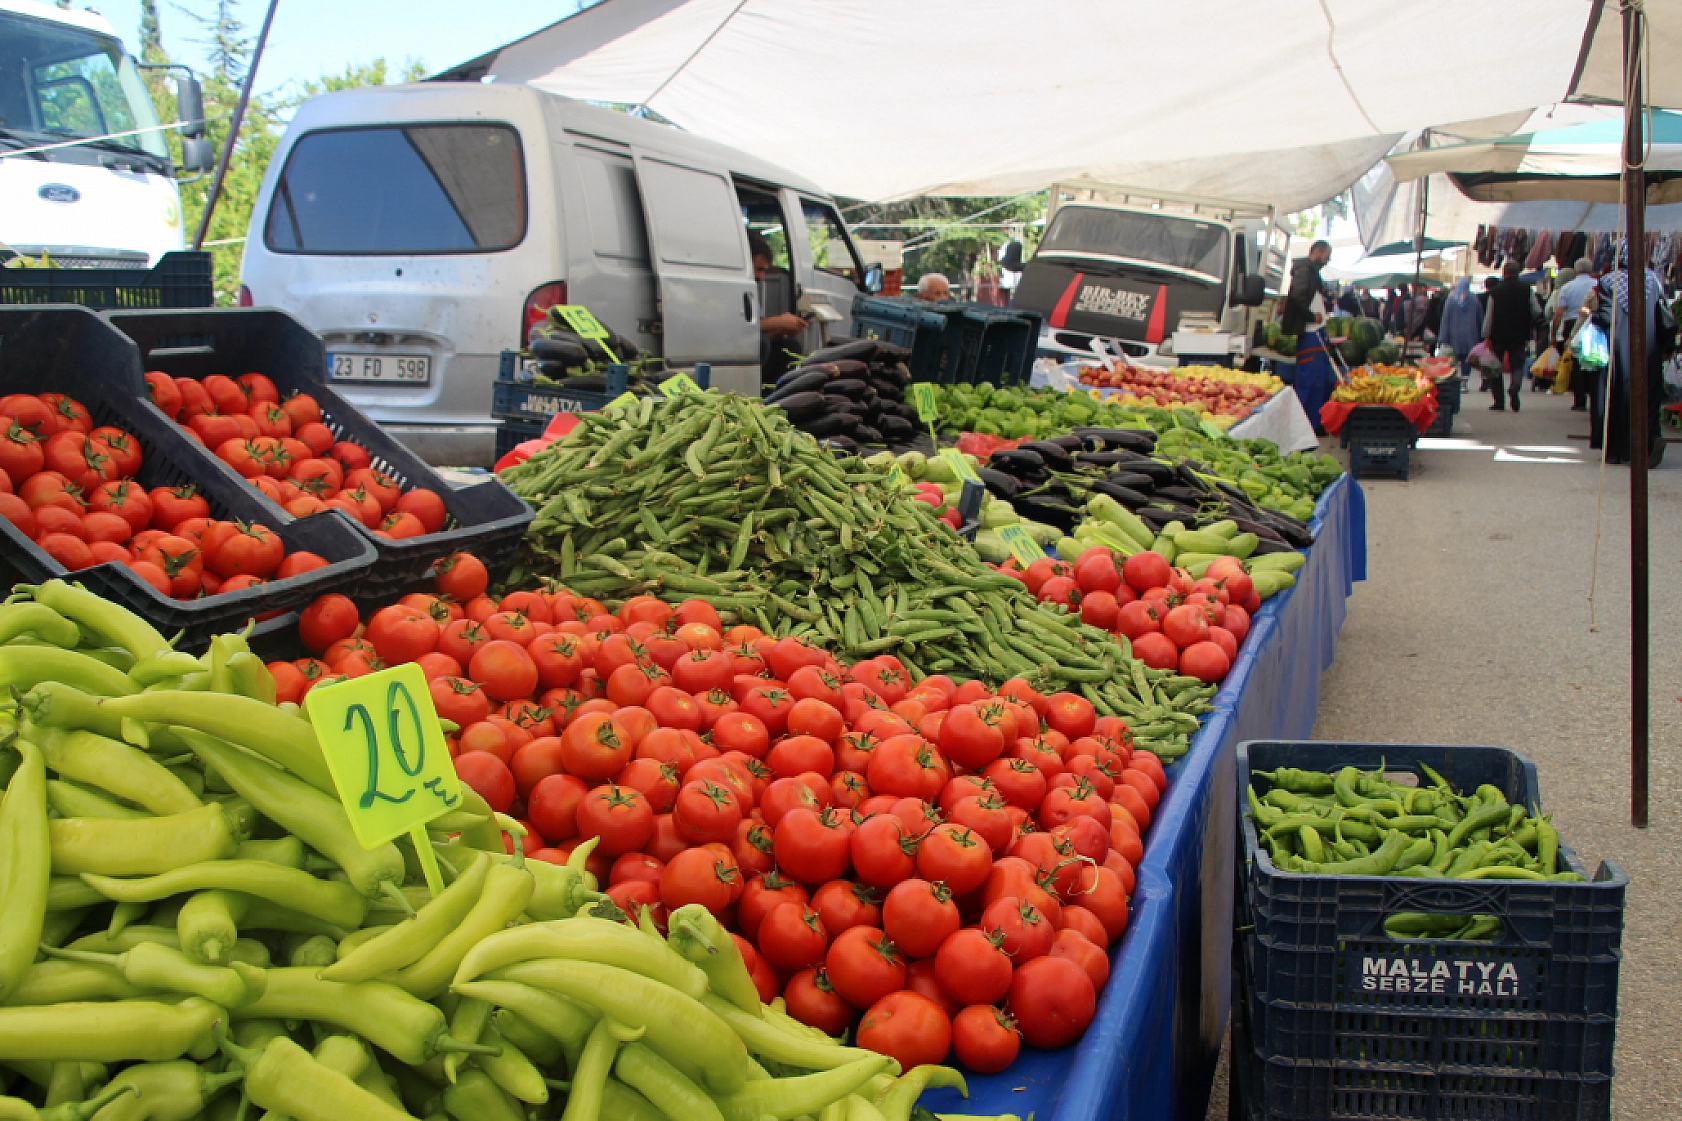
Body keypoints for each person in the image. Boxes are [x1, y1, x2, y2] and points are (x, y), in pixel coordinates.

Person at [1588, 258, 1675, 465]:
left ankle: (1619, 451)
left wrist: (1594, 317)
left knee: (1617, 398)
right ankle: (1649, 442)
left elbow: (1607, 316)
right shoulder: (1652, 280)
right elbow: (1664, 313)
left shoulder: (1609, 281)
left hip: (1619, 350)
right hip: (1649, 347)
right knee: (1647, 396)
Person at [1481, 259, 1541, 411]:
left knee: (1495, 367)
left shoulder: (1495, 292)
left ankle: (1499, 401)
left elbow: (1490, 315)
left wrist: (1486, 334)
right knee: (1517, 365)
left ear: (1504, 273)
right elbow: (1536, 311)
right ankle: (1514, 387)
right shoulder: (1527, 290)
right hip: (1520, 335)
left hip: (1498, 335)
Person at [1554, 258, 1597, 410]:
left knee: (1577, 363)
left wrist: (1554, 334)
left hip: (1573, 325)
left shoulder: (1567, 287)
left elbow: (1559, 312)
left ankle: (1579, 400)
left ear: (1576, 270)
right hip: (1594, 324)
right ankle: (1596, 397)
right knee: (1594, 360)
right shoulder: (1597, 286)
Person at [1279, 240, 1330, 336]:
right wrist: (1312, 317)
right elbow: (1297, 297)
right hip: (1299, 329)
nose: (1327, 262)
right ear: (1318, 251)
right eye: (1326, 257)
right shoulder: (1304, 270)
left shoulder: (1313, 272)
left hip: (1306, 328)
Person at [1438, 278, 1482, 382]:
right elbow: (1480, 318)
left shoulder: (1451, 300)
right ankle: (1464, 381)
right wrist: (1481, 335)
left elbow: (1445, 319)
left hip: (1454, 334)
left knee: (1452, 357)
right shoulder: (1474, 300)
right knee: (1467, 358)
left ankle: (1453, 378)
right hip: (1471, 334)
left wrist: (1443, 337)